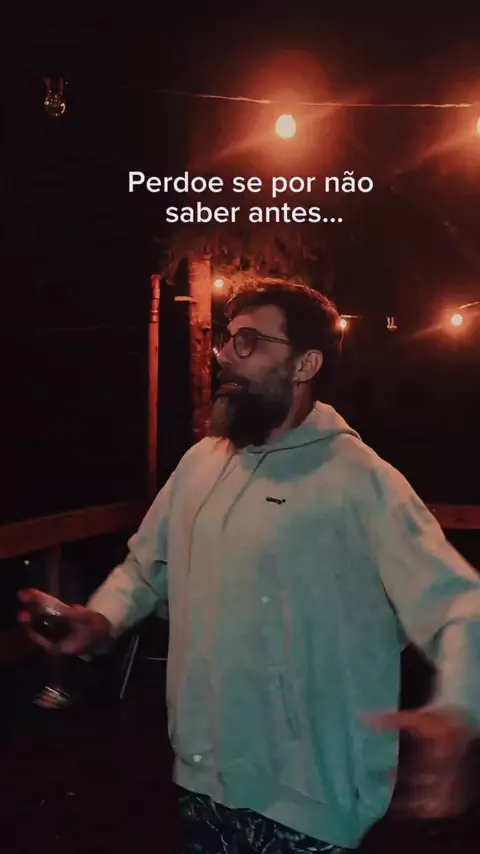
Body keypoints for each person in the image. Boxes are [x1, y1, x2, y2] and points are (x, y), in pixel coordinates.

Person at [19, 279, 480, 853]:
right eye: (226, 340)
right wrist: (101, 619)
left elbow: (459, 605)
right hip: (201, 783)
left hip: (312, 804)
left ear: (305, 364)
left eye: (249, 342)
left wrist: (459, 709)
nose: (224, 356)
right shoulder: (200, 464)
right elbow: (147, 566)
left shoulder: (361, 481)